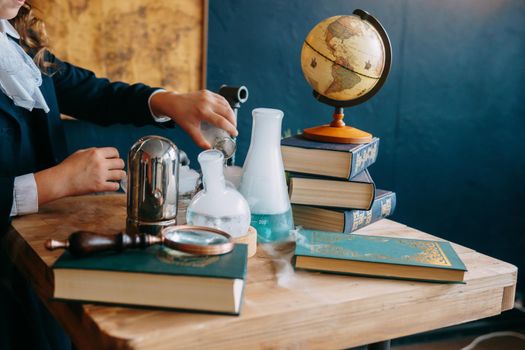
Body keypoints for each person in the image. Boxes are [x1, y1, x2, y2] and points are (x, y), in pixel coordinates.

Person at [0, 1, 237, 348]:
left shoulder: (17, 40)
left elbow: (93, 94)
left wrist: (168, 101)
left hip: (33, 257)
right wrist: (53, 183)